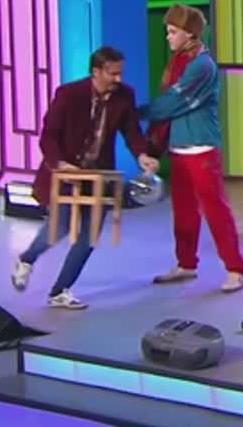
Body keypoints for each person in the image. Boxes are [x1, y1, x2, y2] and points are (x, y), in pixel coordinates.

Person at [11, 46, 159, 309]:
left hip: (99, 176)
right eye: (113, 74)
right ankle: (27, 259)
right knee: (59, 227)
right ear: (96, 72)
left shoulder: (125, 95)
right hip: (66, 173)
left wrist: (141, 155)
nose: (118, 79)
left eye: (120, 73)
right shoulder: (68, 94)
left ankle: (59, 291)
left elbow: (132, 132)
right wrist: (60, 164)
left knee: (89, 236)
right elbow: (48, 136)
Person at [146, 4, 243, 292]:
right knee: (183, 211)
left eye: (172, 31)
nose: (168, 36)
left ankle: (235, 268)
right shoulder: (178, 61)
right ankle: (186, 263)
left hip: (201, 147)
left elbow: (174, 101)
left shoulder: (202, 65)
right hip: (179, 147)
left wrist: (143, 111)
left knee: (215, 209)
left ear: (189, 33)